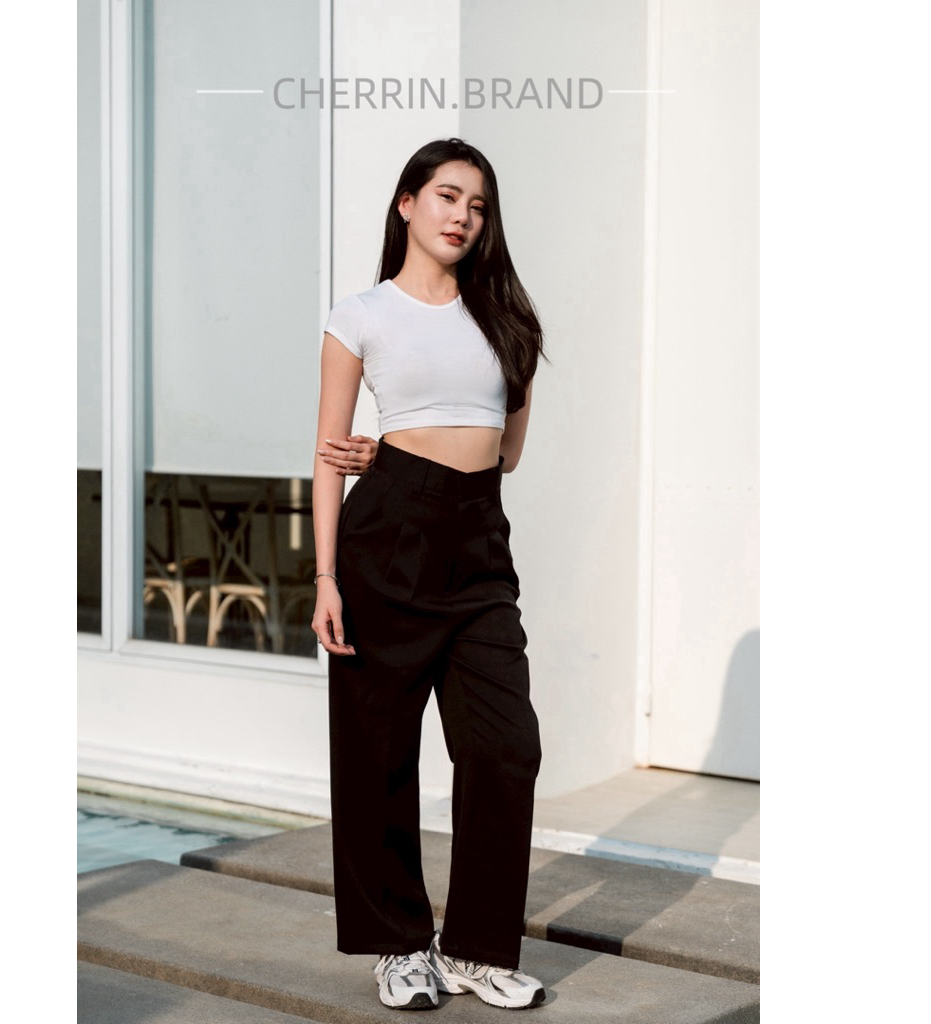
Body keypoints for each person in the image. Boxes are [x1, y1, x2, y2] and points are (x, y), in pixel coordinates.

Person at [311, 137, 547, 1012]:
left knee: (505, 745)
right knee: (376, 749)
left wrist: (409, 459)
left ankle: (478, 950)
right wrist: (325, 577)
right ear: (407, 203)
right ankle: (399, 945)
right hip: (387, 537)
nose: (463, 216)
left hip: (479, 537)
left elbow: (505, 453)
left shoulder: (507, 319)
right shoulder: (359, 316)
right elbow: (328, 455)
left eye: (478, 206)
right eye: (448, 196)